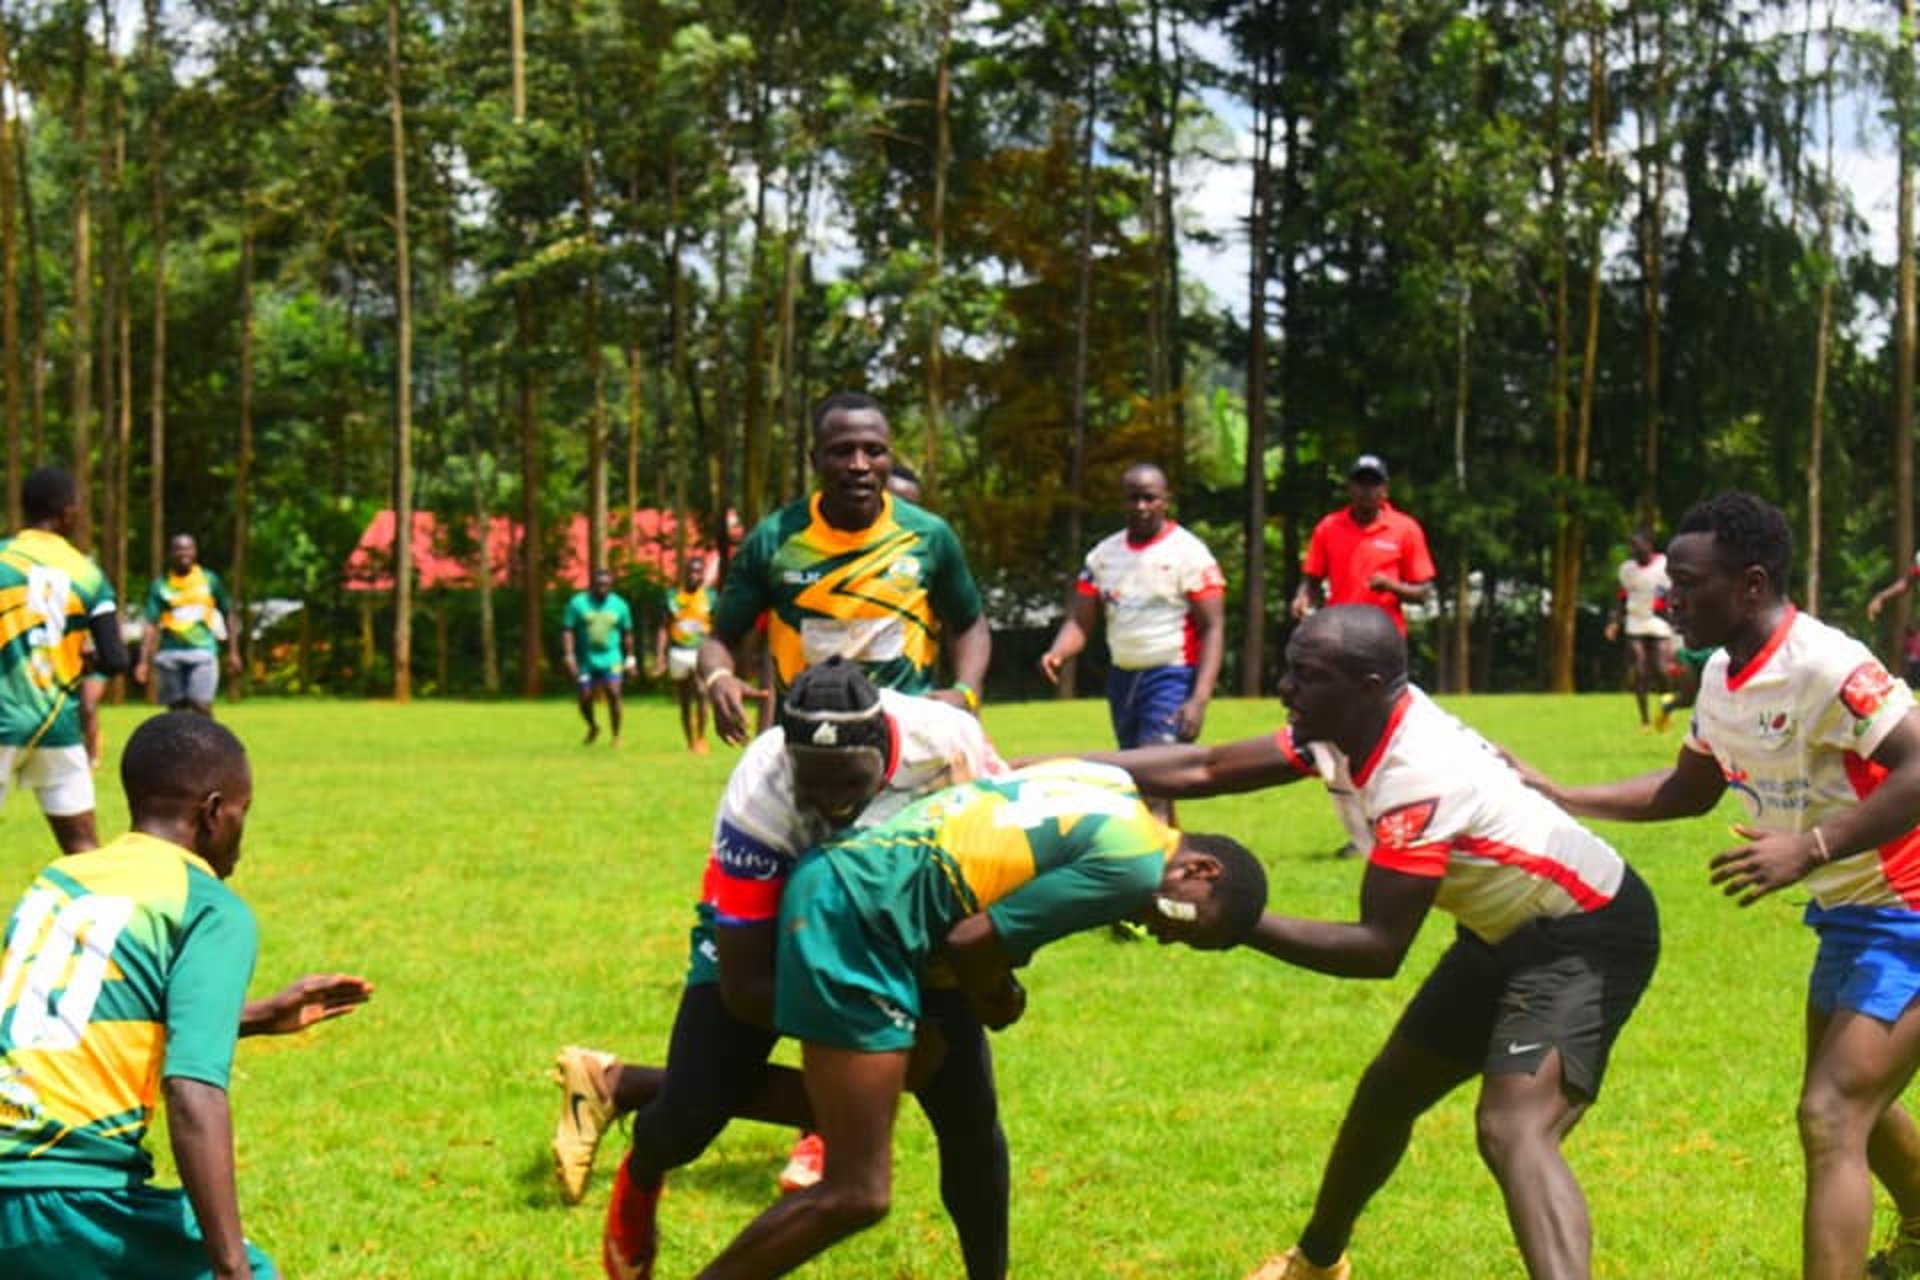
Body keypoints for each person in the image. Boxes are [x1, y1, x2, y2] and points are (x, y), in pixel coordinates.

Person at [1100, 605, 1659, 1280]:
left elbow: (1377, 948)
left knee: (1513, 1128)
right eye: (1289, 669)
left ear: (1367, 685)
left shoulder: (1418, 774)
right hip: (1501, 932)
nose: (1285, 688)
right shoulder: (1344, 727)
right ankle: (1318, 1263)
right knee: (1388, 1094)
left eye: (1305, 676)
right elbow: (1206, 767)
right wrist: (1035, 770)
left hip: (1589, 933)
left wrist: (1237, 921)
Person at [1520, 492, 1920, 1280]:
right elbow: (1686, 791)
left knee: (1831, 1113)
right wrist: (1561, 792)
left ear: (1751, 585)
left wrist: (1810, 847)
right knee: (1852, 1111)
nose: (1670, 599)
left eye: (1689, 582)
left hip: (1910, 909)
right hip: (1850, 916)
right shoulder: (1719, 679)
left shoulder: (1827, 664)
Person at [692, 759, 1269, 1278]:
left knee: (929, 1070)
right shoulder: (1135, 872)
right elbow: (972, 943)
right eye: (1189, 926)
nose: (1165, 935)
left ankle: (649, 1087)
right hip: (865, 914)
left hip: (859, 881)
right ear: (1202, 869)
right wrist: (996, 995)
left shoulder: (1111, 788)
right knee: (857, 1193)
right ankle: (653, 1092)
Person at [558, 659, 1012, 1280]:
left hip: (898, 930)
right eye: (814, 788)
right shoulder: (760, 790)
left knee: (968, 1116)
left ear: (884, 742)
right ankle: (641, 1173)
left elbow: (1008, 850)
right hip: (772, 932)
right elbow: (745, 988)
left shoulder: (948, 741)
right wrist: (884, 1041)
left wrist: (983, 972)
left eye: (850, 784)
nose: (833, 805)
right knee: (693, 1113)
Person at [0, 711, 372, 1280]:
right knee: (250, 1269)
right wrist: (229, 1269)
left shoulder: (60, 879)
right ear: (214, 811)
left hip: (19, 1186)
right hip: (70, 1197)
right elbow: (191, 1089)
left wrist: (252, 1017)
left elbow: (55, 1018)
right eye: (244, 813)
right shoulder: (205, 906)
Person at [696, 391, 990, 745]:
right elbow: (721, 637)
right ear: (814, 460)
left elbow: (969, 623)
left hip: (909, 743)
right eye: (842, 451)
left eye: (874, 450)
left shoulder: (929, 536)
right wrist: (718, 678)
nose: (859, 464)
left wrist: (966, 690)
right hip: (805, 745)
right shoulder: (774, 540)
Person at [1038, 462, 1227, 760]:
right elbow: (1080, 620)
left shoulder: (1190, 554)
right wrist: (1058, 652)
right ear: (1121, 502)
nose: (1141, 506)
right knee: (1137, 774)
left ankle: (1158, 808)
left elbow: (1212, 628)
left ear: (1166, 500)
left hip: (1172, 674)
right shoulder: (1103, 556)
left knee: (1157, 770)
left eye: (1149, 498)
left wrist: (1199, 699)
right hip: (1122, 679)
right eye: (1132, 498)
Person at [0, 466, 128, 853]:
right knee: (83, 849)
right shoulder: (87, 573)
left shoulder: (4, 558)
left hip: (3, 719)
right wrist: (86, 662)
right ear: (68, 512)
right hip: (58, 724)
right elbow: (117, 658)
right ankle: (95, 914)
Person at [1290, 454, 1435, 635]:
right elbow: (1311, 582)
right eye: (1361, 483)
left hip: (1384, 637)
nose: (1367, 490)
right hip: (1339, 634)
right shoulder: (1328, 527)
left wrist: (1391, 586)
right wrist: (1303, 598)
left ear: (1385, 490)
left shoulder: (1406, 529)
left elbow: (1423, 593)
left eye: (1374, 483)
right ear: (1350, 488)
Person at [133, 533, 242, 716]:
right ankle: (179, 745)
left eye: (188, 548)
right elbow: (151, 625)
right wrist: (143, 662)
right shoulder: (161, 586)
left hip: (202, 652)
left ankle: (210, 743)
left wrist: (233, 652)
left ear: (195, 551)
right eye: (178, 549)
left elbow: (228, 614)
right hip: (170, 655)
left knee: (200, 706)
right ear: (170, 553)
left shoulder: (209, 581)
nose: (183, 553)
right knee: (176, 712)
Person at [1604, 529, 1675, 731]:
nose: (1634, 550)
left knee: (1661, 670)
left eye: (1638, 546)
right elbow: (1622, 597)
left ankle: (1666, 711)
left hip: (1658, 620)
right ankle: (1644, 721)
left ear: (1649, 545)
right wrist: (1614, 622)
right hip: (1635, 621)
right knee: (1641, 670)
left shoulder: (1664, 565)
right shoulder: (1627, 570)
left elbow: (1672, 593)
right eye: (1632, 546)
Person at [562, 568, 637, 745]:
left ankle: (616, 735)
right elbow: (568, 631)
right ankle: (593, 726)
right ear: (591, 585)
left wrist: (631, 658)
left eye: (606, 585)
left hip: (612, 658)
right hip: (586, 660)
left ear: (611, 586)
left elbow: (627, 633)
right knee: (584, 696)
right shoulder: (577, 603)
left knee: (614, 692)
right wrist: (569, 656)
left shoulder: (620, 605)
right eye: (598, 585)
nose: (602, 588)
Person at [653, 554, 716, 755]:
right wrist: (660, 656)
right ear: (684, 573)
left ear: (702, 575)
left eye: (698, 572)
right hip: (678, 651)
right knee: (685, 699)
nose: (693, 576)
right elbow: (663, 627)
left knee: (702, 692)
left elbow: (717, 626)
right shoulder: (672, 596)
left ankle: (701, 738)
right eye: (690, 572)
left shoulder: (711, 597)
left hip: (701, 650)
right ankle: (689, 741)